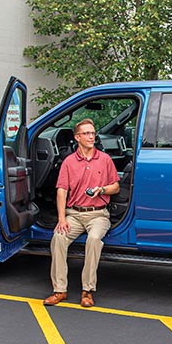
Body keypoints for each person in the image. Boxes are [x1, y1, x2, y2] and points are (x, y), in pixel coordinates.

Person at [43, 118, 120, 307]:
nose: (91, 136)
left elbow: (116, 186)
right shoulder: (69, 162)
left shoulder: (105, 159)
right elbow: (62, 191)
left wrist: (101, 190)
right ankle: (59, 290)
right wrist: (62, 219)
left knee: (93, 240)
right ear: (77, 137)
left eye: (93, 133)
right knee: (59, 238)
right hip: (74, 214)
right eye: (86, 133)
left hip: (98, 214)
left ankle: (87, 291)